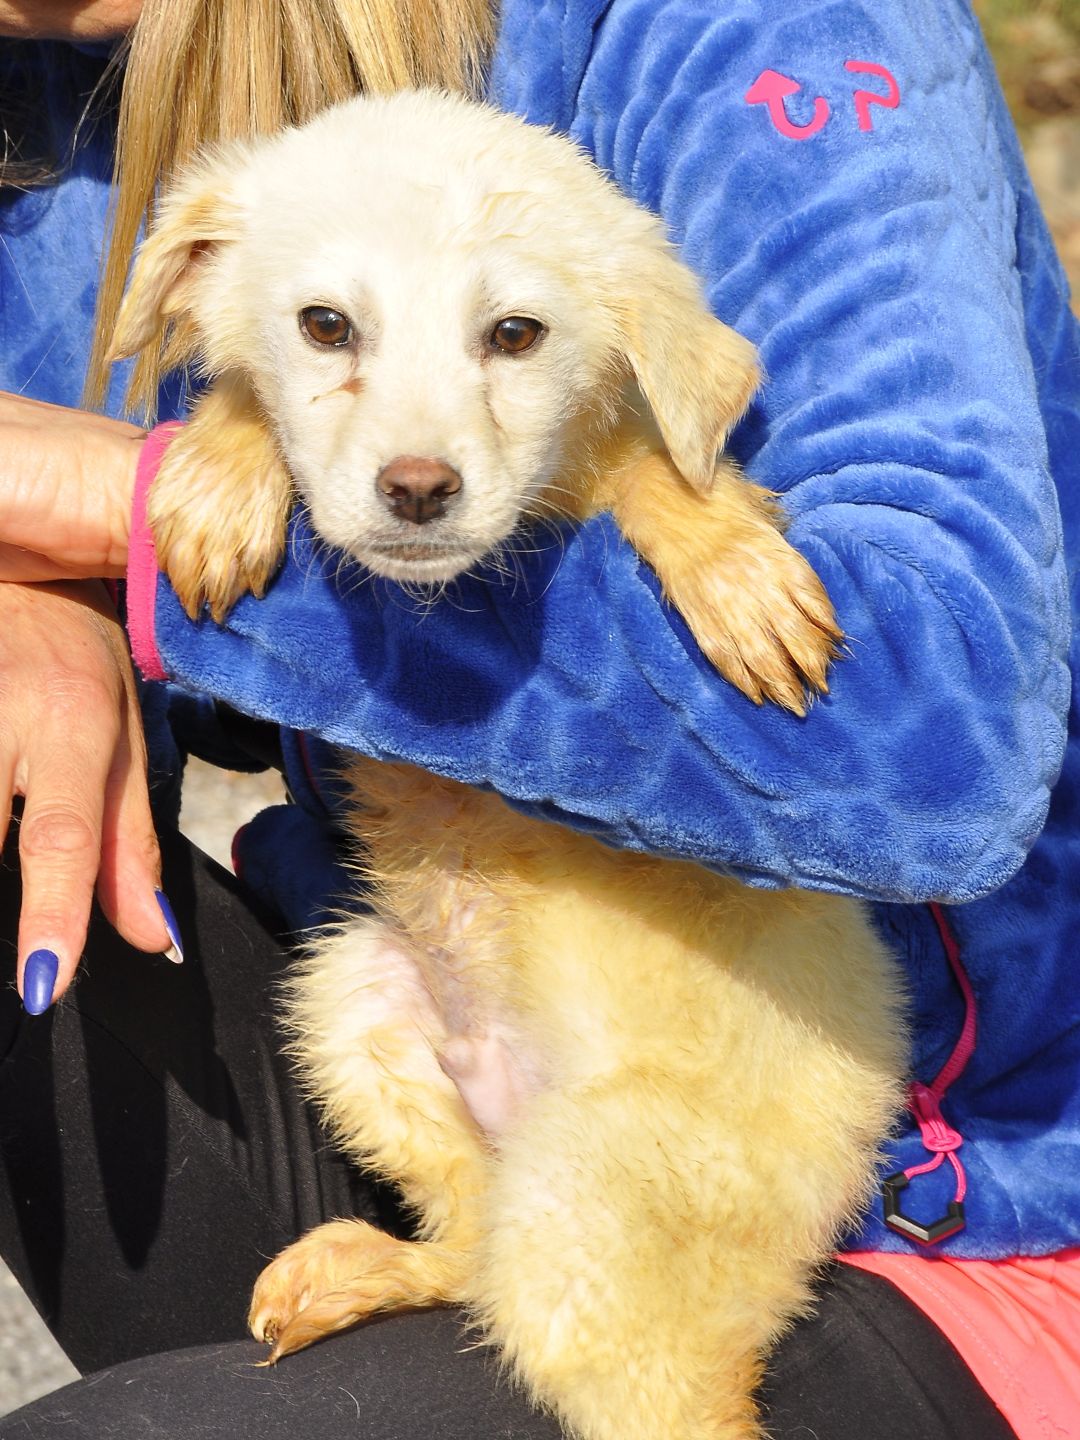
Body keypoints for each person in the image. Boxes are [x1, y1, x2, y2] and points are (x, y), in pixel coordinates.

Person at [0, 1, 1077, 1436]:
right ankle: (463, 1256)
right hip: (465, 1069)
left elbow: (943, 756)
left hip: (921, 1199)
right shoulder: (59, 88)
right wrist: (47, 604)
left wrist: (118, 516)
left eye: (509, 334)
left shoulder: (753, 29)